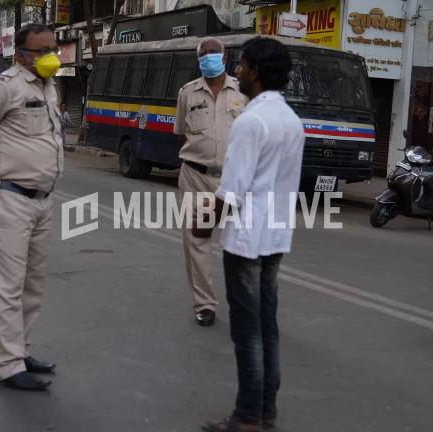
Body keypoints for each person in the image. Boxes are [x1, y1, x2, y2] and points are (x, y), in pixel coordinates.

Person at [194, 36, 304, 432]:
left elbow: (231, 191)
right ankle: (266, 410)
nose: (236, 70)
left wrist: (204, 224)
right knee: (267, 325)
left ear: (255, 71)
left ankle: (246, 417)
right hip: (276, 234)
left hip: (246, 240)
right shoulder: (291, 119)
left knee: (247, 332)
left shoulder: (250, 121)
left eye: (240, 64)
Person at [0, 23, 64, 391]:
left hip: (41, 201)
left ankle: (20, 350)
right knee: (7, 285)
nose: (51, 56)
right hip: (8, 199)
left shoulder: (49, 88)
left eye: (54, 48)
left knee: (32, 284)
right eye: (41, 50)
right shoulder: (3, 88)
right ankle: (6, 365)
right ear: (20, 54)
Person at [173, 36, 248, 327]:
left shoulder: (244, 91)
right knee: (198, 241)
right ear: (197, 60)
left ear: (225, 58)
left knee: (242, 243)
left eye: (213, 53)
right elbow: (182, 133)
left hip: (236, 180)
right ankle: (204, 304)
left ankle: (244, 301)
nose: (208, 57)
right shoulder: (187, 93)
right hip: (196, 177)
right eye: (203, 54)